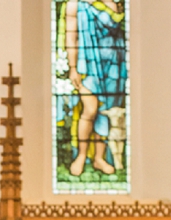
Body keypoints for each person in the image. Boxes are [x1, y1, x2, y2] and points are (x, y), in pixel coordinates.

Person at [63, 0, 127, 176]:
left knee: (106, 110)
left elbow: (116, 22)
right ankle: (82, 155)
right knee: (90, 110)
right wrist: (73, 67)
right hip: (88, 64)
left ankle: (99, 158)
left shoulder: (111, 3)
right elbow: (71, 37)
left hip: (113, 63)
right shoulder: (75, 5)